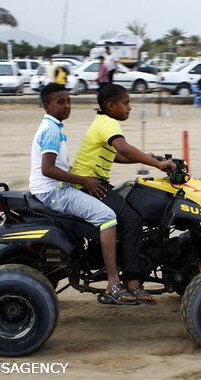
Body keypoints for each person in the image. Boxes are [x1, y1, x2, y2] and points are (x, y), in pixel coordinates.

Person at [29, 83, 136, 305]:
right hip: (54, 192)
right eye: (61, 102)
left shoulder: (54, 127)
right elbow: (47, 169)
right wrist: (85, 181)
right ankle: (114, 283)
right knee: (107, 217)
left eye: (68, 101)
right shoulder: (50, 130)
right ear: (47, 106)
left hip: (53, 188)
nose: (67, 106)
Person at [71, 84, 176, 304]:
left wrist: (144, 157)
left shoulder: (102, 122)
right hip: (90, 185)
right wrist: (157, 164)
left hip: (94, 183)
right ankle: (132, 281)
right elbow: (124, 149)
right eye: (126, 103)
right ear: (111, 105)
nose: (130, 108)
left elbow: (115, 156)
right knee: (132, 219)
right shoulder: (108, 123)